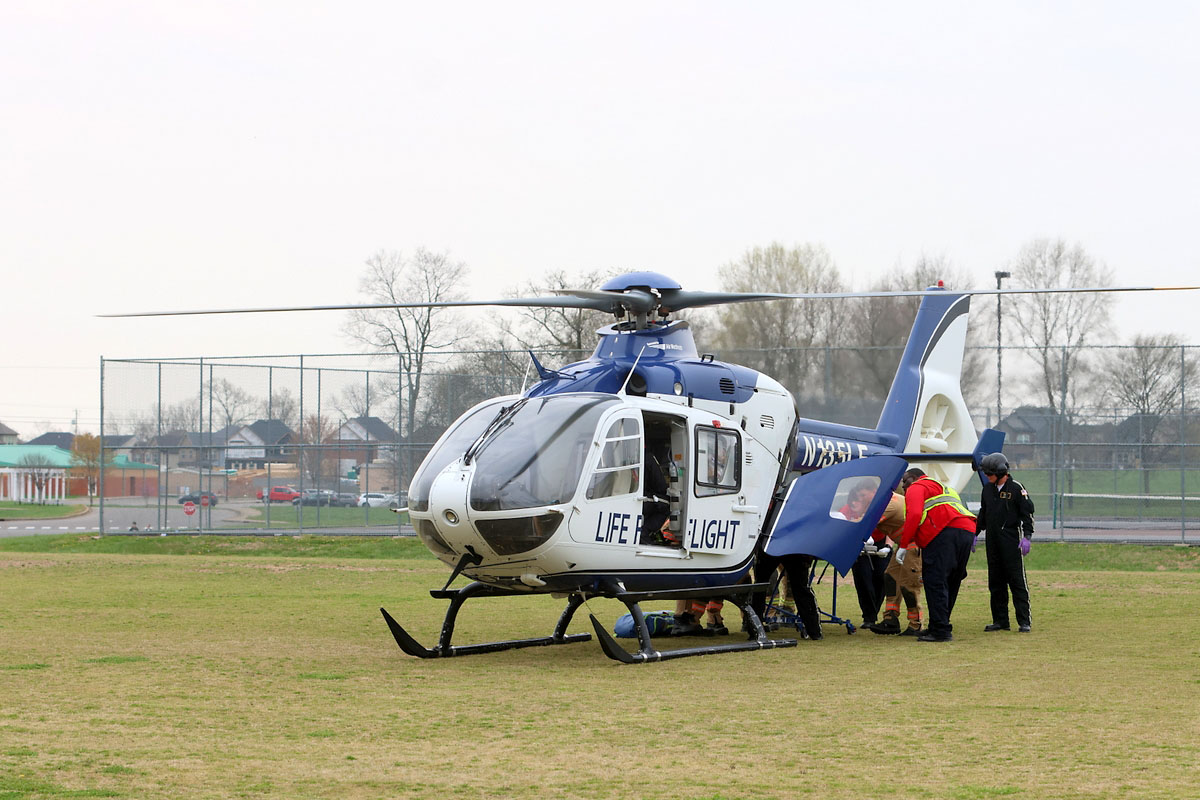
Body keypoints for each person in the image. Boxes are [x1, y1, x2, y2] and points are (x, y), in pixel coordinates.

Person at [895, 467, 977, 642]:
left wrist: (904, 545)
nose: (903, 486)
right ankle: (939, 624)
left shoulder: (918, 486)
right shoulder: (944, 487)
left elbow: (915, 514)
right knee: (951, 580)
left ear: (915, 478)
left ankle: (940, 630)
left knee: (935, 580)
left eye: (905, 481)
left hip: (943, 532)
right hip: (966, 531)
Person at [977, 452, 1035, 633]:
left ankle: (1024, 621)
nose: (987, 477)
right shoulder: (987, 489)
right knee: (995, 583)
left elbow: (1028, 514)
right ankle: (1000, 620)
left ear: (1001, 472)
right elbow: (983, 513)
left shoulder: (1017, 489)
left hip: (1011, 542)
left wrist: (1027, 536)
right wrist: (975, 532)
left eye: (989, 473)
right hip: (992, 542)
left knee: (1017, 582)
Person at [867, 489, 925, 636]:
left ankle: (916, 624)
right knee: (890, 577)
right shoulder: (886, 500)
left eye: (862, 495)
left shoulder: (888, 504)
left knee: (909, 584)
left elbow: (868, 522)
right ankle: (890, 619)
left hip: (913, 545)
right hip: (903, 545)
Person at [843, 479, 886, 629]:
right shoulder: (851, 506)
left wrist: (888, 546)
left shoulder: (884, 504)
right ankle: (869, 616)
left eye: (863, 495)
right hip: (859, 544)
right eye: (859, 495)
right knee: (863, 579)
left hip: (881, 542)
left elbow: (894, 522)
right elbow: (842, 519)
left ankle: (874, 610)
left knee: (882, 577)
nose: (860, 498)